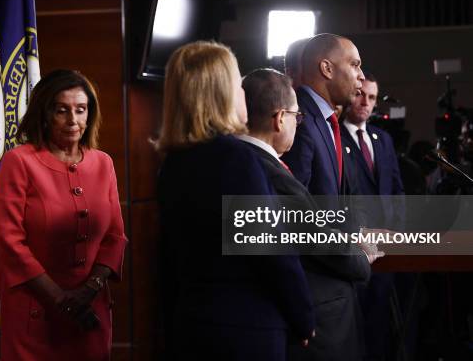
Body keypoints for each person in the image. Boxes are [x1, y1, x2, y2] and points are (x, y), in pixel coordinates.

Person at [156, 41, 314, 361]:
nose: (245, 92)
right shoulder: (235, 158)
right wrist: (303, 317)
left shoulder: (172, 163)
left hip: (191, 326)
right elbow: (270, 252)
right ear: (221, 93)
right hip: (244, 330)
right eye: (238, 82)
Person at [0, 69, 128, 361]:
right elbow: (9, 241)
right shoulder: (19, 162)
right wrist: (59, 298)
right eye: (62, 110)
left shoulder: (103, 163)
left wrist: (89, 290)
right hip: (35, 313)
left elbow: (115, 237)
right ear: (45, 113)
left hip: (90, 312)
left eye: (81, 110)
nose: (73, 120)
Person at [240, 68, 372, 361]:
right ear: (280, 118)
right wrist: (363, 256)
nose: (298, 125)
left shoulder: (242, 162)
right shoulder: (264, 171)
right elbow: (311, 236)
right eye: (297, 117)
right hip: (310, 324)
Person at [281, 33, 372, 360]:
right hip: (317, 301)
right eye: (355, 64)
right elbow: (293, 220)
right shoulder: (299, 121)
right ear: (327, 68)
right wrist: (357, 255)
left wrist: (362, 233)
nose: (362, 75)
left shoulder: (327, 121)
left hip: (335, 295)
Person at [341, 73, 405, 361]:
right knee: (354, 331)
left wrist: (397, 232)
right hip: (354, 251)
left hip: (387, 250)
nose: (365, 102)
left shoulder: (383, 139)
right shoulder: (335, 137)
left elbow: (396, 191)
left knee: (380, 328)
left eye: (372, 97)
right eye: (360, 95)